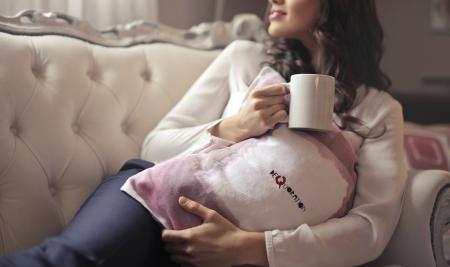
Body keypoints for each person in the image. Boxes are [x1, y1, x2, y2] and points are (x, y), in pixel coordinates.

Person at [0, 0, 407, 266]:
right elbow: (157, 145)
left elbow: (370, 227)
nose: (273, 0)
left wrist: (256, 249)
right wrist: (233, 127)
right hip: (156, 197)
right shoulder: (245, 58)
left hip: (241, 252)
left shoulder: (378, 112)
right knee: (67, 260)